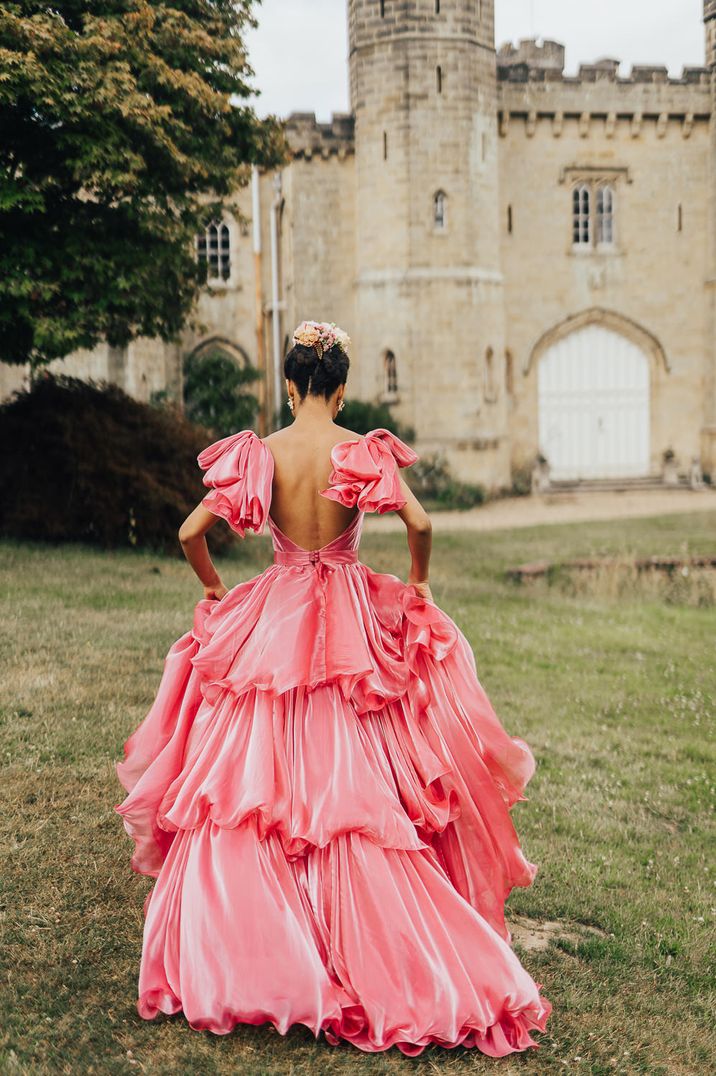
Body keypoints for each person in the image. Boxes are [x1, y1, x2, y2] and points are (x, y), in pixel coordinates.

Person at [115, 320, 553, 1057]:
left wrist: (219, 589)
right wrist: (416, 581)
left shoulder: (265, 453)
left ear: (289, 387)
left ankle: (262, 949)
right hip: (348, 613)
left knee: (255, 782)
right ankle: (370, 937)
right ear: (341, 389)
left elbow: (192, 531)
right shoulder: (359, 450)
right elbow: (419, 520)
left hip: (279, 609)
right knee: (355, 781)